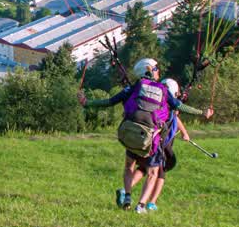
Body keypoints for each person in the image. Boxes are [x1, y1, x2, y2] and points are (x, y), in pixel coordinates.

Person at [81, 58, 212, 210]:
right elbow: (179, 106)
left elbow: (110, 101)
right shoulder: (163, 89)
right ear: (149, 70)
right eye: (156, 69)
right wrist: (202, 113)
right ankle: (141, 205)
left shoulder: (134, 87)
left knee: (129, 166)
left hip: (131, 134)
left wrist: (87, 102)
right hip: (151, 138)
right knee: (153, 172)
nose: (158, 71)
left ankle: (127, 196)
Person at [135, 78, 193, 213]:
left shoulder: (157, 101)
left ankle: (127, 192)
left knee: (145, 168)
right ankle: (149, 203)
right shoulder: (168, 105)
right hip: (162, 142)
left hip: (151, 140)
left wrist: (184, 132)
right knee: (159, 172)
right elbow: (176, 116)